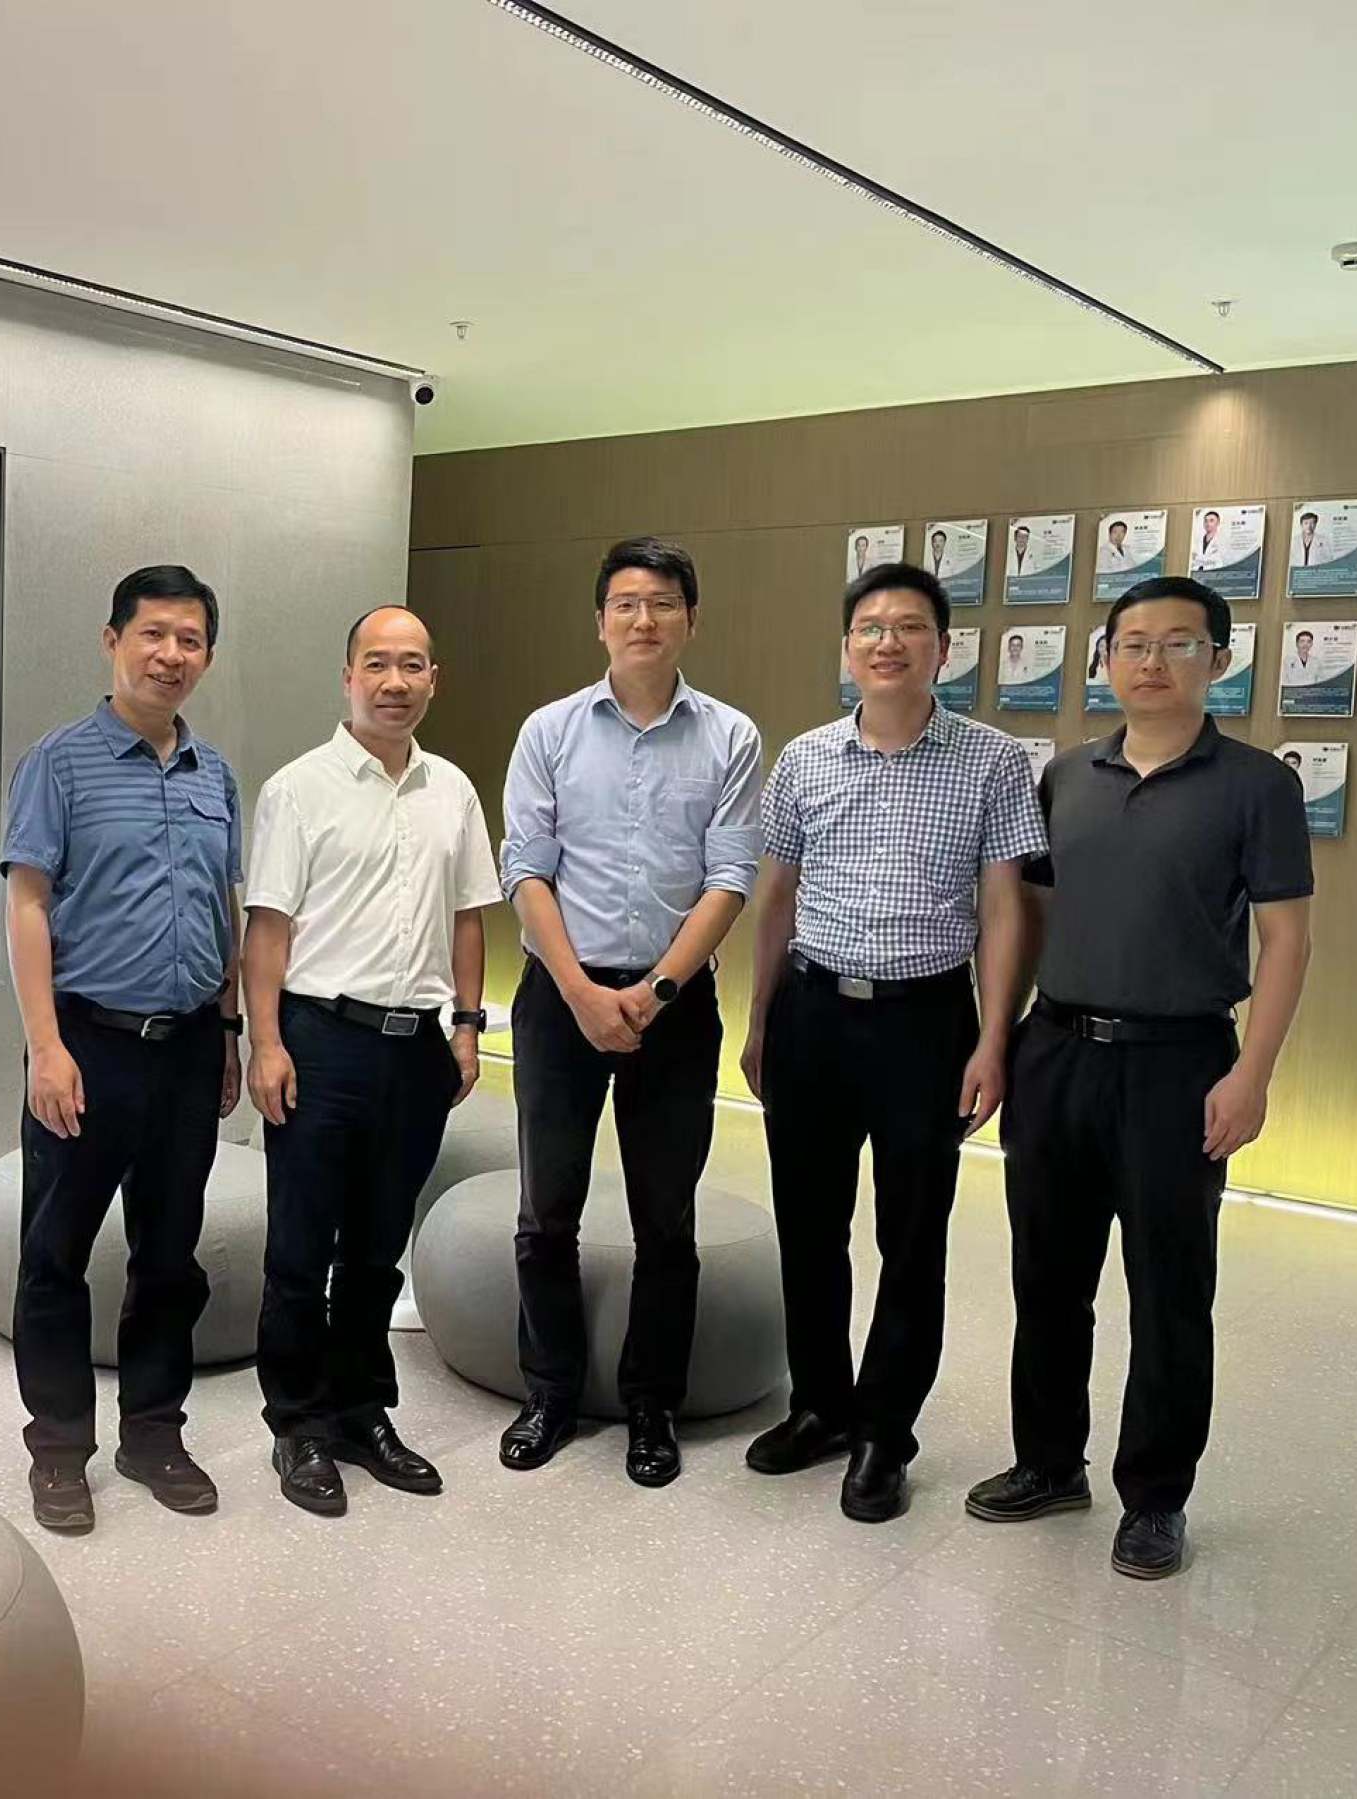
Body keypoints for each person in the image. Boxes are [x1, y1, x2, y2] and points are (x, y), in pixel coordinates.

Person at [967, 577, 1313, 1580]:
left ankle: (1155, 1497)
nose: (1152, 661)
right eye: (1133, 643)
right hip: (1057, 1050)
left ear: (1220, 659)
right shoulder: (1065, 775)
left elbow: (1287, 940)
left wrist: (1253, 1073)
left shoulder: (1258, 784)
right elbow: (1027, 917)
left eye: (1179, 643)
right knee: (1047, 1277)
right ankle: (1048, 1461)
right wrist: (998, 1040)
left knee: (1169, 1289)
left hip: (1180, 1062)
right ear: (1106, 658)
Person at [740, 562, 1045, 1522]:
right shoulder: (804, 758)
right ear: (847, 648)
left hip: (926, 1022)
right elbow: (775, 895)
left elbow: (1005, 908)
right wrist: (760, 1017)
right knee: (808, 1224)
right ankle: (820, 1406)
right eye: (870, 626)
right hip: (813, 1012)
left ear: (943, 649)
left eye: (910, 626)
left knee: (911, 1237)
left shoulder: (993, 761)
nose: (888, 641)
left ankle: (884, 1434)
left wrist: (993, 1039)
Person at [496, 538, 763, 1487]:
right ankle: (550, 1390)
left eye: (662, 603)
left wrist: (654, 993)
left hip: (673, 1005)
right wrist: (578, 991)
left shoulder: (731, 735)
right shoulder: (550, 730)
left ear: (692, 618)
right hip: (559, 995)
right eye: (625, 603)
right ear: (600, 620)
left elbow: (731, 875)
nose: (643, 619)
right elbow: (525, 867)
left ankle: (653, 1404)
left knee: (666, 1216)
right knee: (546, 1208)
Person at [0, 565, 244, 1534]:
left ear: (206, 655)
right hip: (88, 1044)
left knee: (171, 1255)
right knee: (54, 1255)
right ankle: (59, 1450)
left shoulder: (216, 774)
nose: (170, 655)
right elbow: (27, 904)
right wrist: (44, 1046)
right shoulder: (59, 763)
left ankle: (153, 1433)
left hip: (188, 1047)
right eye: (153, 634)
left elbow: (225, 910)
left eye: (189, 640)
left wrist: (229, 1031)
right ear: (114, 641)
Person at [244, 606, 500, 1516]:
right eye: (378, 664)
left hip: (416, 1048)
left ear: (435, 678)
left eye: (413, 665)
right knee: (299, 1249)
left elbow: (468, 916)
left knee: (376, 1250)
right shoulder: (298, 789)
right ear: (348, 676)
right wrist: (265, 1041)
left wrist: (466, 1026)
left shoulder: (452, 790)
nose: (396, 682)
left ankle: (362, 1412)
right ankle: (298, 1424)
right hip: (319, 1039)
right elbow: (267, 929)